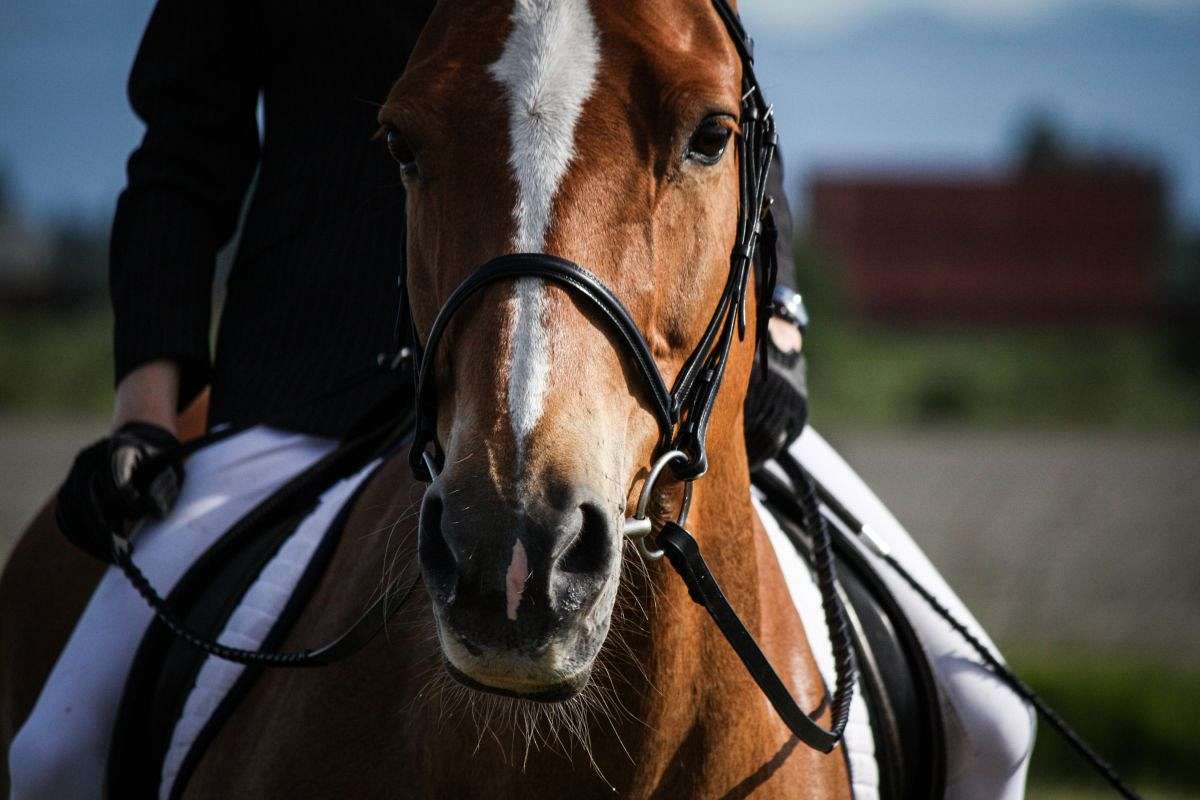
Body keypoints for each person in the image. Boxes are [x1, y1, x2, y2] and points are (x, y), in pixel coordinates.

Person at [7, 2, 1030, 798]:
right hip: (306, 397)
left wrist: (783, 326)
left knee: (989, 722)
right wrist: (147, 408)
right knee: (54, 755)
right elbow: (183, 156)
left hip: (636, 391)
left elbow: (724, 86)